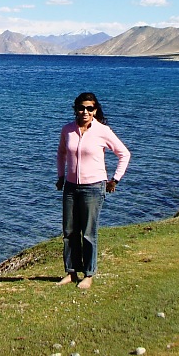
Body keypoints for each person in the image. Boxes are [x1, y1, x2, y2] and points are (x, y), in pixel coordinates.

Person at [55, 92, 131, 289]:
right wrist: (61, 177)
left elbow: (124, 154)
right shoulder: (68, 130)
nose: (85, 111)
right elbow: (61, 153)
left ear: (95, 110)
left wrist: (115, 179)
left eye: (90, 108)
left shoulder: (102, 131)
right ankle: (71, 272)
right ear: (76, 109)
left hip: (94, 188)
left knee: (88, 233)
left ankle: (88, 274)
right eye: (82, 107)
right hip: (71, 187)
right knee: (69, 231)